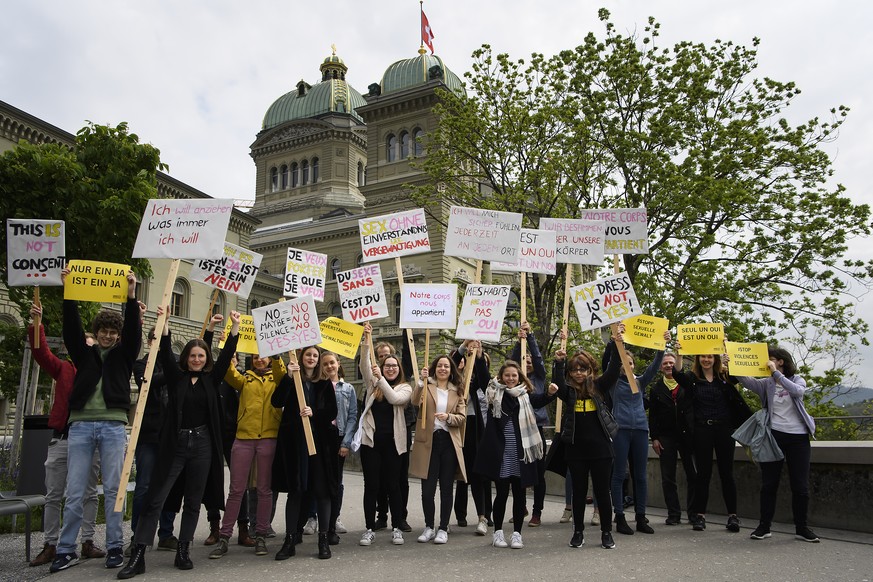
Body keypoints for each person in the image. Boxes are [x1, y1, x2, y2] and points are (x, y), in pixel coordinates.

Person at [118, 309, 241, 578]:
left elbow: (227, 355)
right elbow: (163, 350)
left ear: (206, 359)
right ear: (186, 358)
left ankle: (183, 550)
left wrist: (234, 329)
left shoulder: (212, 379)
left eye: (201, 356)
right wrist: (164, 326)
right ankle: (138, 553)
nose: (197, 359)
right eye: (193, 356)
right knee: (155, 498)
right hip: (175, 444)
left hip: (203, 445)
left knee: (194, 500)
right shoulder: (175, 377)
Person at [50, 268, 140, 573]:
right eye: (104, 330)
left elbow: (133, 335)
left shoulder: (124, 355)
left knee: (115, 488)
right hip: (81, 426)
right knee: (75, 490)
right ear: (97, 331)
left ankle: (115, 546)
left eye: (113, 332)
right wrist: (69, 292)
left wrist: (130, 296)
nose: (109, 335)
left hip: (113, 425)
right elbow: (71, 330)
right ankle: (66, 549)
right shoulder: (83, 354)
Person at [26, 304, 105, 567]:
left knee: (89, 493)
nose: (86, 348)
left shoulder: (102, 370)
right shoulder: (65, 369)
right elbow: (41, 353)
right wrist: (37, 324)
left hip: (91, 436)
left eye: (90, 344)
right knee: (54, 493)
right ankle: (51, 544)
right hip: (63, 437)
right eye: (83, 343)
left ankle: (87, 541)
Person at [731, 347, 819, 542]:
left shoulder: (796, 380)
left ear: (780, 361)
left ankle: (802, 527)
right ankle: (764, 526)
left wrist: (776, 374)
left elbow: (797, 392)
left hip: (799, 438)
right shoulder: (767, 384)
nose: (767, 362)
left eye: (771, 359)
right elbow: (746, 381)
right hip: (774, 436)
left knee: (800, 485)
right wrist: (732, 363)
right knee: (769, 484)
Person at [546, 329, 623, 550]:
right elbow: (558, 382)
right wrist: (559, 362)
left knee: (602, 492)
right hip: (576, 451)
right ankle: (578, 532)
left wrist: (618, 343)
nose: (579, 373)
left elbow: (614, 369)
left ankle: (606, 533)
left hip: (601, 451)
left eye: (583, 369)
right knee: (578, 493)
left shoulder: (599, 387)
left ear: (590, 370)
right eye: (574, 370)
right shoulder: (568, 392)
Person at [209, 347, 285, 559]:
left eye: (262, 357)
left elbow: (282, 374)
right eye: (254, 358)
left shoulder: (276, 378)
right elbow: (227, 371)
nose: (259, 360)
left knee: (264, 490)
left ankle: (260, 534)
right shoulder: (245, 380)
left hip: (268, 437)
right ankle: (224, 537)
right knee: (236, 490)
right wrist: (229, 345)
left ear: (269, 358)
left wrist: (278, 353)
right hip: (244, 438)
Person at [474, 359, 556, 550]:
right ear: (501, 377)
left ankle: (517, 533)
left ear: (519, 377)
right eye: (507, 375)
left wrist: (551, 393)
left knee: (520, 495)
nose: (510, 378)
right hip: (501, 453)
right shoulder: (494, 392)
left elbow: (541, 400)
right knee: (501, 493)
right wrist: (478, 357)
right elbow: (483, 376)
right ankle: (498, 533)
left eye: (514, 375)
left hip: (522, 453)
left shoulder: (525, 395)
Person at [271, 346, 339, 560]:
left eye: (315, 356)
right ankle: (290, 540)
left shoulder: (324, 383)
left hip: (319, 445)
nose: (311, 358)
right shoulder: (291, 379)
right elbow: (277, 401)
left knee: (322, 491)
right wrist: (289, 377)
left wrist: (314, 413)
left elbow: (332, 411)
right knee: (296, 491)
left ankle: (323, 539)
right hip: (295, 444)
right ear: (301, 357)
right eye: (308, 355)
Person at [672, 353, 751, 533]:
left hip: (724, 429)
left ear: (715, 359)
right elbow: (677, 374)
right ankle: (700, 515)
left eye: (710, 357)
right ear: (698, 360)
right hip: (702, 430)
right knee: (703, 474)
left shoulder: (724, 377)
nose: (706, 360)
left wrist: (728, 351)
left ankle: (732, 516)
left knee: (727, 473)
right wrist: (679, 354)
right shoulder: (692, 379)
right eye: (703, 357)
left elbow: (737, 374)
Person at [606, 333, 669, 535]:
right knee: (618, 475)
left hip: (641, 431)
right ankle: (620, 517)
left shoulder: (640, 382)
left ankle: (641, 517)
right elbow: (609, 362)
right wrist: (616, 342)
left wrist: (662, 345)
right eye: (624, 362)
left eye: (631, 362)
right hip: (621, 431)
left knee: (640, 476)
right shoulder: (614, 382)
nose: (628, 365)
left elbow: (653, 368)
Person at [357, 324, 413, 546]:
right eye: (386, 365)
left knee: (393, 486)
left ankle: (397, 527)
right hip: (371, 443)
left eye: (393, 365)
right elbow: (363, 366)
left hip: (394, 444)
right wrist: (366, 340)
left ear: (398, 368)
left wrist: (380, 378)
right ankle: (369, 528)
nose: (390, 368)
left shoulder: (404, 388)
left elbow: (394, 399)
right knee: (371, 486)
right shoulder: (373, 384)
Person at [130, 325, 177, 554]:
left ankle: (166, 533)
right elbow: (147, 383)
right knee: (144, 486)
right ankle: (137, 535)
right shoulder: (142, 364)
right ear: (149, 341)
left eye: (162, 339)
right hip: (148, 433)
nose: (158, 342)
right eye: (155, 338)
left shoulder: (173, 363)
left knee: (169, 486)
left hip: (170, 435)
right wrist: (172, 370)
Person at [410, 354, 467, 545]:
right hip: (429, 441)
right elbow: (414, 401)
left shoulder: (457, 390)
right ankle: (428, 526)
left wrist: (448, 417)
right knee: (427, 489)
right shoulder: (427, 385)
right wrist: (420, 381)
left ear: (451, 371)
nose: (443, 369)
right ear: (435, 368)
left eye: (447, 366)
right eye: (440, 366)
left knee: (446, 489)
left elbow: (462, 417)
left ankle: (443, 527)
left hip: (449, 442)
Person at [648, 352, 696, 525]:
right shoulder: (656, 389)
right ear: (661, 368)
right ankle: (673, 514)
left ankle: (693, 513)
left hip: (687, 436)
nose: (668, 366)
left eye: (671, 363)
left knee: (693, 474)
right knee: (668, 477)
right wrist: (655, 438)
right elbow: (652, 416)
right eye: (665, 364)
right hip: (666, 437)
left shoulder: (687, 384)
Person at [508, 322, 548, 527]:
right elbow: (512, 363)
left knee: (539, 474)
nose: (528, 362)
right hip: (518, 429)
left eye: (530, 359)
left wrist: (530, 337)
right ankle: (520, 507)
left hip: (537, 429)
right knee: (519, 472)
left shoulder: (539, 377)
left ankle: (537, 512)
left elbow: (538, 358)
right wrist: (519, 342)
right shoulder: (517, 380)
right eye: (526, 360)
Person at [451, 340, 492, 535]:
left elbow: (486, 382)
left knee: (478, 473)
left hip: (474, 425)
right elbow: (452, 362)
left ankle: (484, 515)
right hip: (456, 425)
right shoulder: (450, 379)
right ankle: (460, 514)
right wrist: (463, 347)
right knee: (461, 473)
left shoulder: (475, 379)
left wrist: (478, 356)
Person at [323, 352, 357, 537]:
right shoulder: (318, 386)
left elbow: (352, 416)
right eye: (325, 364)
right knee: (321, 481)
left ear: (338, 364)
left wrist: (346, 442)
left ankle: (333, 521)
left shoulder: (348, 388)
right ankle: (319, 519)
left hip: (339, 437)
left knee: (337, 482)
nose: (329, 366)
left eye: (332, 363)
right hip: (322, 438)